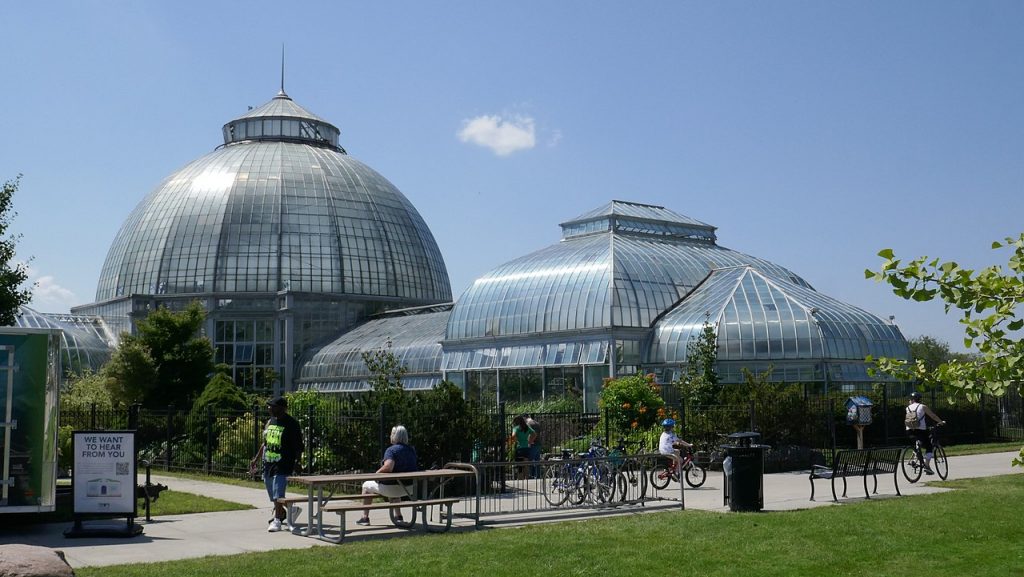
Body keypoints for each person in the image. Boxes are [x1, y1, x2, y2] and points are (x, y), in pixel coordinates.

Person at [252, 396, 303, 533]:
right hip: (269, 463)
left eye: (272, 406)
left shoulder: (291, 424)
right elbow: (266, 442)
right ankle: (291, 509)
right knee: (273, 494)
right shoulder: (270, 422)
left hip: (284, 463)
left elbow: (298, 446)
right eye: (269, 406)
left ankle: (277, 520)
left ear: (282, 408)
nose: (269, 408)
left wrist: (298, 461)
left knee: (278, 493)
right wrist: (256, 459)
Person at [357, 425, 418, 525]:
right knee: (396, 483)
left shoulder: (391, 450)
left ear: (394, 436)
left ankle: (365, 518)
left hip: (392, 488)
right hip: (409, 488)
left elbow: (388, 467)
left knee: (366, 485)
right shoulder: (411, 450)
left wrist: (376, 474)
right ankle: (398, 516)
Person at [905, 392, 945, 475]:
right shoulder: (922, 406)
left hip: (909, 430)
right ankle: (927, 466)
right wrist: (940, 422)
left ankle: (914, 459)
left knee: (917, 444)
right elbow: (933, 416)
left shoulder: (907, 408)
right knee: (929, 446)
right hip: (920, 430)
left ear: (912, 400)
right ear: (919, 399)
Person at [509, 415, 536, 479]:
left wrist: (514, 441)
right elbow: (534, 434)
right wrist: (530, 441)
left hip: (519, 448)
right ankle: (527, 479)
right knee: (526, 465)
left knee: (520, 467)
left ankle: (520, 480)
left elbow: (513, 436)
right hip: (526, 448)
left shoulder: (516, 428)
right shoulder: (527, 427)